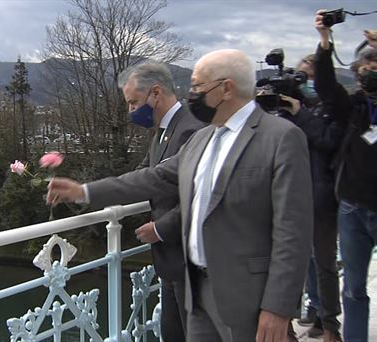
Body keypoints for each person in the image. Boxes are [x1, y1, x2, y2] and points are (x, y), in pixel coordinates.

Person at [48, 49, 313, 342]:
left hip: (246, 297)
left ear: (226, 88)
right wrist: (84, 191)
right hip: (195, 290)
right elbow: (154, 177)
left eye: (198, 86)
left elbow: (294, 232)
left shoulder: (281, 138)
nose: (192, 94)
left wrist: (278, 307)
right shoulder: (202, 138)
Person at [313, 10, 377, 341]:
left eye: (376, 70)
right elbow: (326, 87)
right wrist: (325, 41)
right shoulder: (354, 109)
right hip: (352, 210)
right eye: (363, 71)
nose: (368, 75)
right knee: (353, 289)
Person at [121, 62, 205, 341]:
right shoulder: (161, 131)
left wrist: (159, 229)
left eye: (133, 102)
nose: (131, 110)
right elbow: (144, 174)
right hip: (171, 261)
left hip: (191, 261)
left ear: (155, 93)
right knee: (172, 333)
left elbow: (199, 197)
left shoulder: (190, 130)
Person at [276, 54, 344, 341]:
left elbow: (328, 140)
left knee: (325, 264)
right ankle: (286, 324)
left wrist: (300, 112)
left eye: (306, 77)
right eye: (298, 77)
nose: (301, 83)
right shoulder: (285, 113)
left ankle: (330, 325)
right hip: (287, 196)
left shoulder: (334, 110)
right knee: (286, 263)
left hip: (320, 198)